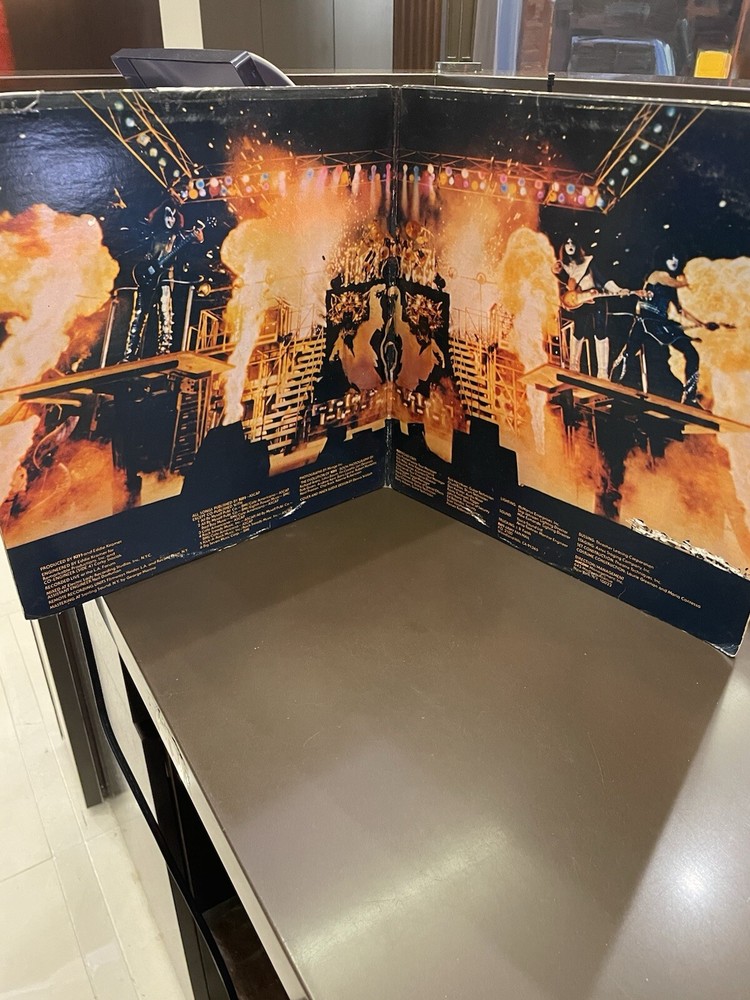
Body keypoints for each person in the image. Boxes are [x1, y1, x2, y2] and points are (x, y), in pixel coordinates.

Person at [613, 252, 711, 405]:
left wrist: (701, 323)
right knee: (629, 353)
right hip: (645, 322)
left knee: (692, 354)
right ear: (662, 259)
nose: (674, 260)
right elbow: (669, 282)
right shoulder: (657, 275)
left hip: (662, 324)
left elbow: (681, 310)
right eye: (670, 257)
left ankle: (689, 396)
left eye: (676, 258)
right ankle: (614, 381)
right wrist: (685, 283)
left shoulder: (671, 285)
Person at [123, 202, 205, 362]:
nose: (171, 219)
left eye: (174, 216)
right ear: (162, 215)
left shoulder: (178, 235)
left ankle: (163, 349)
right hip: (148, 275)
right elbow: (138, 244)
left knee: (165, 311)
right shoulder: (153, 233)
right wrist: (145, 264)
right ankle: (130, 353)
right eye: (168, 215)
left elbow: (196, 240)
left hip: (166, 275)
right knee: (139, 313)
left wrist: (199, 237)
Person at [553, 235, 631, 379]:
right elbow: (566, 288)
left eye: (573, 243)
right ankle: (573, 368)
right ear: (563, 247)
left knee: (601, 332)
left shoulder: (587, 261)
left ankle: (602, 373)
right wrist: (557, 271)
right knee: (578, 332)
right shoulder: (562, 266)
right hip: (581, 301)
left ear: (577, 246)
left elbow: (603, 279)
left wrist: (618, 290)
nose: (570, 245)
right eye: (567, 243)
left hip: (596, 299)